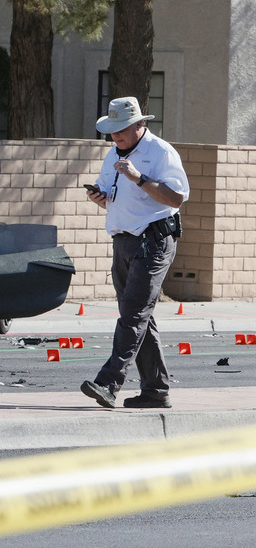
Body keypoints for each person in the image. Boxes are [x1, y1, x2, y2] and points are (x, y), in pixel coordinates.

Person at [81, 97, 189, 409]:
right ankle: (156, 391)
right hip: (124, 240)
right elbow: (109, 194)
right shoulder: (113, 154)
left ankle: (108, 383)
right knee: (140, 317)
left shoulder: (160, 152)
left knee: (133, 315)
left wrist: (139, 178)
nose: (115, 135)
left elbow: (176, 198)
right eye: (112, 130)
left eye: (122, 129)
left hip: (153, 240)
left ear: (140, 125)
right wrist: (99, 197)